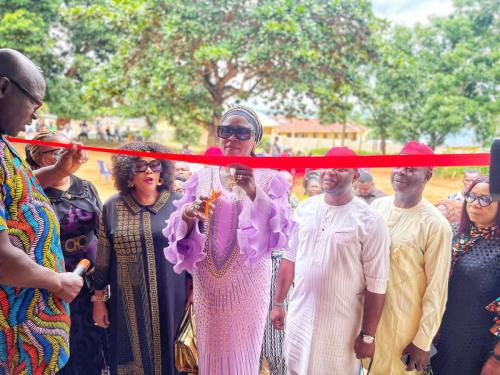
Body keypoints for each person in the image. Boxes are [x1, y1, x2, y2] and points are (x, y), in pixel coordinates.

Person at [163, 105, 296, 374]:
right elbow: (179, 225)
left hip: (249, 282)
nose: (232, 138)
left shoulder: (270, 178)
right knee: (210, 356)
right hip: (207, 282)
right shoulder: (202, 176)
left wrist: (254, 192)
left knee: (243, 356)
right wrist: (190, 214)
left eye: (241, 132)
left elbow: (280, 230)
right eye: (226, 131)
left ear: (255, 138)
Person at [0, 48, 85, 373]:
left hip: (32, 337)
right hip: (13, 342)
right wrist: (56, 282)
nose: (35, 117)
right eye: (33, 104)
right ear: (3, 87)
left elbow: (15, 189)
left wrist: (56, 171)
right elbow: (2, 259)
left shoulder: (3, 143)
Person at [272, 146, 391, 374]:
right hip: (300, 317)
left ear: (355, 176)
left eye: (340, 168)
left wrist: (367, 336)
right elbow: (289, 259)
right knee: (295, 367)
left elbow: (377, 284)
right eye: (326, 166)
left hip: (340, 326)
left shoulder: (370, 221)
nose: (329, 172)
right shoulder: (306, 208)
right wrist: (278, 303)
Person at [92, 142, 191, 375]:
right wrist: (98, 300)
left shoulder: (179, 204)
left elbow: (193, 249)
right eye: (140, 166)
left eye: (155, 165)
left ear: (163, 170)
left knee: (173, 360)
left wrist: (195, 287)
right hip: (126, 303)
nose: (149, 171)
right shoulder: (113, 206)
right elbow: (104, 257)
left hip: (172, 299)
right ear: (128, 172)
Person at [25, 131, 108, 374]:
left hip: (90, 284)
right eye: (57, 151)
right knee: (59, 349)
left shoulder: (86, 187)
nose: (66, 155)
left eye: (68, 148)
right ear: (39, 157)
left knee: (91, 349)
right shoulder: (32, 191)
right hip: (53, 287)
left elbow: (103, 230)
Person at [370, 141, 453, 374]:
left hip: (403, 328)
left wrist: (422, 342)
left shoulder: (436, 225)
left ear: (427, 175)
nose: (401, 171)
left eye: (411, 168)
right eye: (399, 165)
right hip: (368, 323)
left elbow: (437, 290)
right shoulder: (378, 206)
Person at [431, 176, 500, 375]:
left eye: (485, 199)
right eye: (471, 196)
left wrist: (496, 360)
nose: (475, 203)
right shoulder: (453, 234)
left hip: (478, 345)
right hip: (440, 338)